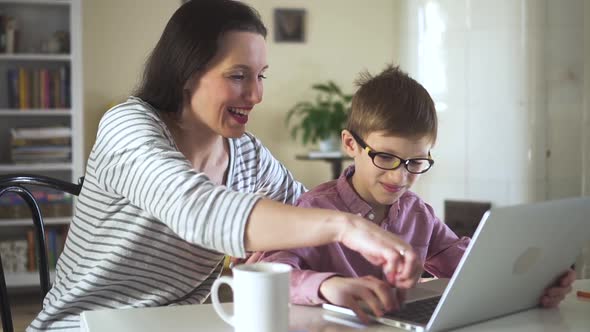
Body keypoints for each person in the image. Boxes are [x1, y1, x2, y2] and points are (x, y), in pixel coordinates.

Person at [27, 2, 422, 331]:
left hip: (182, 324)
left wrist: (331, 281)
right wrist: (346, 225)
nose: (256, 94)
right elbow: (199, 209)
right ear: (186, 74)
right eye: (238, 76)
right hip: (81, 325)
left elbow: (305, 218)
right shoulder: (127, 126)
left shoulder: (246, 155)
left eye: (260, 76)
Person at [259, 65, 577, 322]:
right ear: (350, 144)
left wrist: (537, 280)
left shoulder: (416, 212)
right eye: (385, 157)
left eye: (416, 162)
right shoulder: (315, 209)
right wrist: (328, 286)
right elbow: (273, 274)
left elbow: (467, 263)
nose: (400, 176)